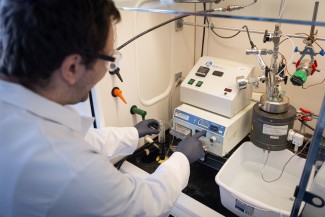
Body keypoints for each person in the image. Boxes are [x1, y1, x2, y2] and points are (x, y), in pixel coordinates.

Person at [0, 0, 206, 216]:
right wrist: (182, 158)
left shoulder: (17, 112)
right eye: (110, 59)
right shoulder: (68, 168)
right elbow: (143, 207)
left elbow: (79, 139)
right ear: (71, 67)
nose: (107, 70)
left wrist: (133, 133)